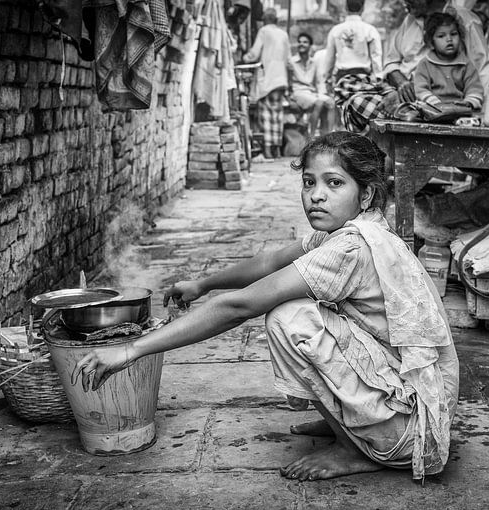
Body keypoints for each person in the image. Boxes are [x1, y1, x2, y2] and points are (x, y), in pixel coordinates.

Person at [71, 131, 460, 482]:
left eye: (334, 183)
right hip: (419, 407)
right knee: (306, 309)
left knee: (289, 318)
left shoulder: (350, 247)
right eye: (309, 182)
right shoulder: (354, 229)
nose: (316, 195)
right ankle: (356, 417)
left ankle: (354, 449)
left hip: (411, 435)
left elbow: (240, 307)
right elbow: (268, 263)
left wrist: (131, 349)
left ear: (367, 194)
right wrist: (202, 283)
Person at [339, 0, 489, 133]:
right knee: (347, 88)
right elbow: (391, 62)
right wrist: (401, 85)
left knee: (359, 104)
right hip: (399, 90)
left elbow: (484, 70)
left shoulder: (464, 22)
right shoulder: (409, 21)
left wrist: (481, 117)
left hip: (436, 102)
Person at [322, 0, 390, 134]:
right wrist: (378, 79)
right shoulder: (370, 30)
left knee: (342, 116)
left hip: (342, 80)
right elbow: (376, 57)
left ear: (346, 7)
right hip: (364, 79)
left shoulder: (336, 30)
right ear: (363, 8)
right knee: (361, 114)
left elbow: (329, 59)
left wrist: (327, 79)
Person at [243, 8, 291, 160]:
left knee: (266, 115)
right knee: (277, 115)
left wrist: (245, 58)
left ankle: (268, 150)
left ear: (265, 19)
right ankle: (276, 148)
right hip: (281, 78)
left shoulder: (264, 31)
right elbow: (288, 59)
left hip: (269, 78)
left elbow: (254, 54)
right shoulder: (283, 34)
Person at [413, 12, 484, 111]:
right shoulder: (425, 64)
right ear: (430, 42)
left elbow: (474, 88)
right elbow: (420, 90)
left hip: (459, 110)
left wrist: (468, 102)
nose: (449, 39)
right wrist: (434, 103)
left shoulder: (466, 65)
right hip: (432, 110)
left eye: (454, 34)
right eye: (441, 36)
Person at [289, 33, 335, 136]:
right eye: (300, 42)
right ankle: (312, 136)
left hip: (311, 93)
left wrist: (324, 93)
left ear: (310, 45)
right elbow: (288, 82)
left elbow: (317, 81)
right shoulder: (292, 62)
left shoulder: (313, 62)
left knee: (330, 103)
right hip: (298, 92)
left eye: (305, 42)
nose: (301, 44)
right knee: (319, 103)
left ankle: (328, 135)